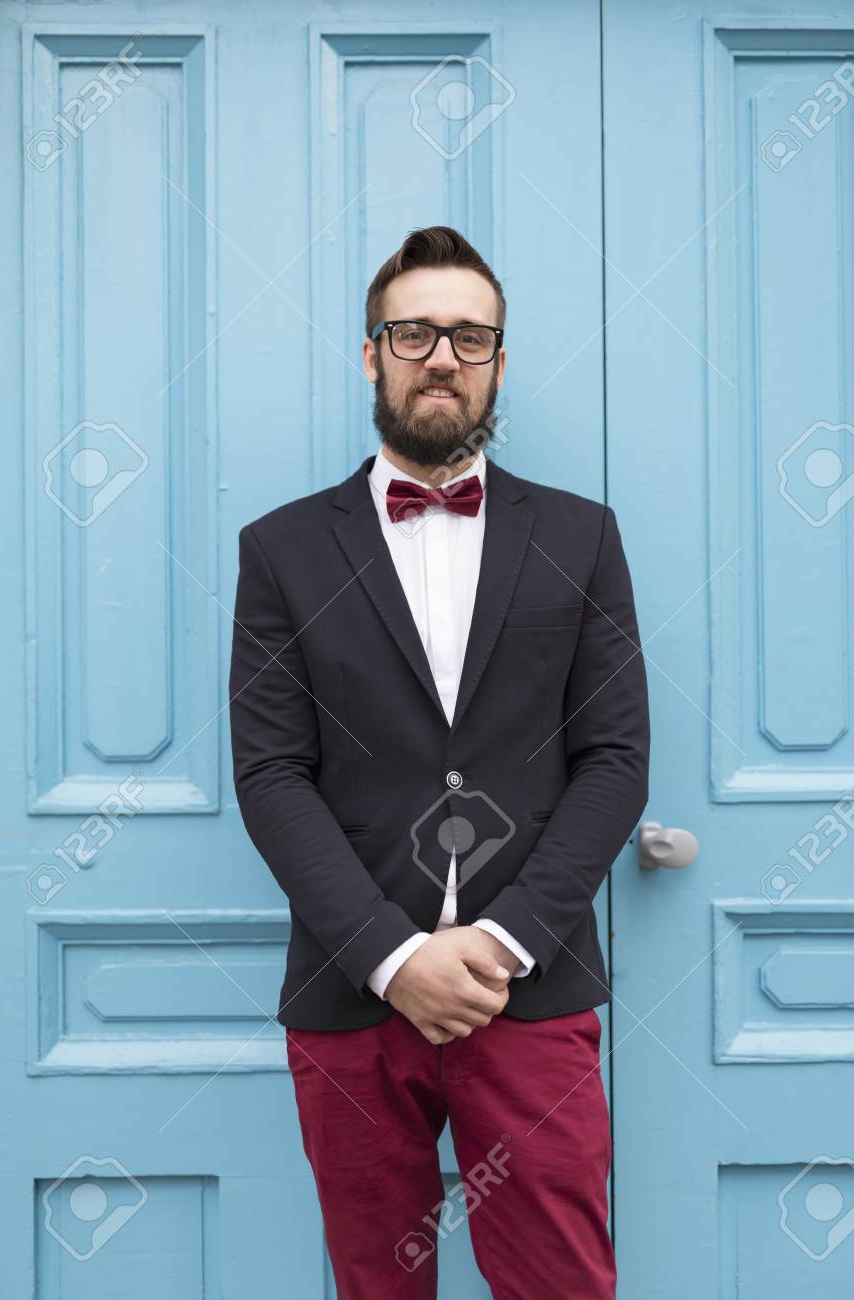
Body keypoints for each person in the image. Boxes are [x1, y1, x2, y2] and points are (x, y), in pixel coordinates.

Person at [229, 225, 650, 1298]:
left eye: (469, 337)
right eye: (413, 333)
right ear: (372, 353)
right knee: (376, 1282)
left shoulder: (581, 536)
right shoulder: (280, 550)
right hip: (353, 992)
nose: (442, 358)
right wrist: (391, 954)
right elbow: (271, 773)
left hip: (532, 988)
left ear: (500, 363)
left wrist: (502, 943)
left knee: (561, 1282)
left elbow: (613, 758)